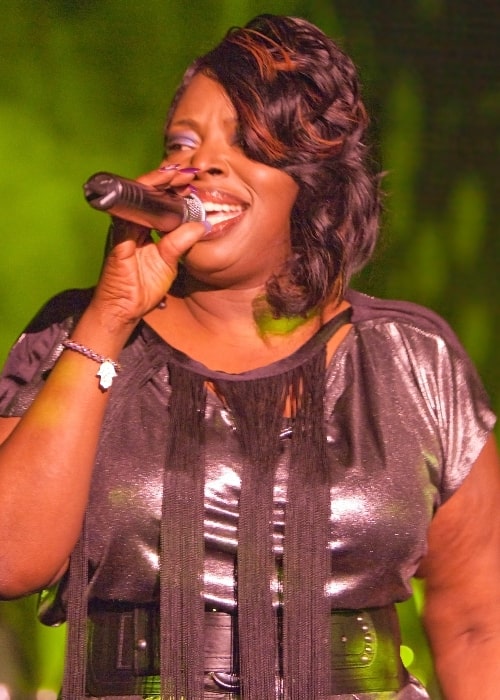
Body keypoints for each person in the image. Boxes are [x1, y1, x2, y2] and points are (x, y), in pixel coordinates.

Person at [0, 13, 498, 700]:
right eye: (183, 142)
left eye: (246, 143)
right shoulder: (75, 335)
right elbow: (8, 558)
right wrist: (110, 319)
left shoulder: (412, 360)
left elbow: (478, 622)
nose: (201, 163)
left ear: (311, 178)